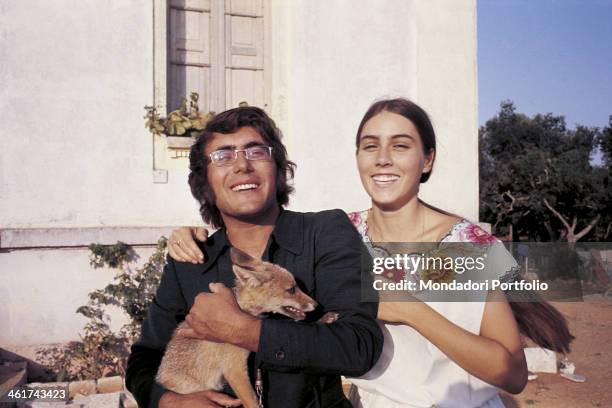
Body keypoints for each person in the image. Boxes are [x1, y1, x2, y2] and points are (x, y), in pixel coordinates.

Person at [170, 98, 574, 408]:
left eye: (400, 146)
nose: (382, 158)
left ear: (427, 159)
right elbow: (264, 251)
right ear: (358, 158)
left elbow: (513, 374)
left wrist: (410, 310)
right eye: (370, 146)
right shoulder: (342, 235)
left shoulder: (466, 245)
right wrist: (199, 236)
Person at [126, 106, 383, 408]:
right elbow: (144, 359)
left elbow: (359, 348)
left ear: (277, 168)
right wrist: (168, 401)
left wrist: (246, 330)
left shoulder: (324, 232)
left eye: (256, 151)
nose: (241, 165)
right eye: (223, 156)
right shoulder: (192, 260)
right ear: (206, 183)